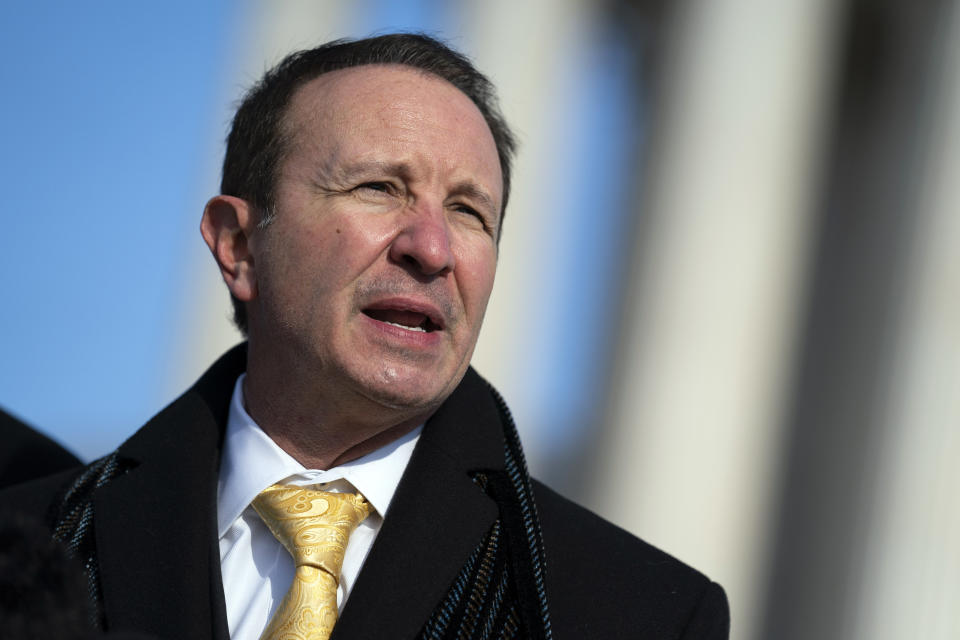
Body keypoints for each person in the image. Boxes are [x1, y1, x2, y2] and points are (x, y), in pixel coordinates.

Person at [0, 34, 729, 639]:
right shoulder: (38, 546)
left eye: (470, 212)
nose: (433, 248)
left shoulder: (634, 612)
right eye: (379, 188)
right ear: (238, 246)